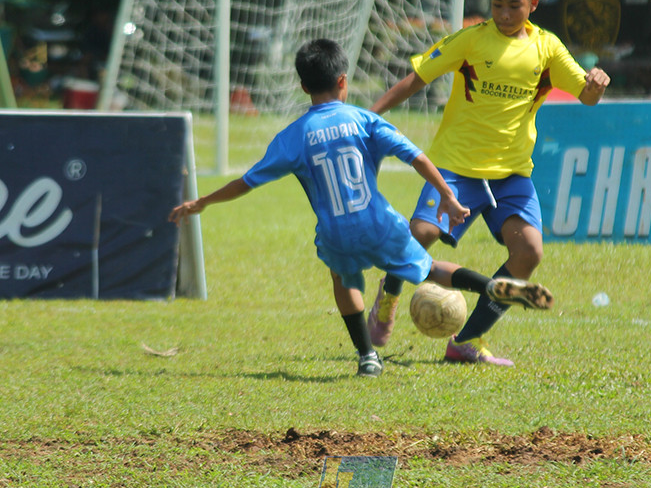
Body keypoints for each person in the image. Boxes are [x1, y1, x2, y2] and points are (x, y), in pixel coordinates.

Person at [169, 38, 553, 378]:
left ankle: (367, 355)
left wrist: (202, 202)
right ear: (343, 81)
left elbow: (246, 182)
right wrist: (448, 196)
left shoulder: (292, 137)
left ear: (303, 87)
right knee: (430, 268)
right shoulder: (363, 120)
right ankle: (496, 286)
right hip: (379, 224)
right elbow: (415, 156)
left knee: (344, 280)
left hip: (336, 233)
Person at [366, 0, 610, 366]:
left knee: (529, 252)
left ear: (533, 3)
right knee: (420, 234)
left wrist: (596, 82)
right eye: (497, 4)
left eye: (513, 5)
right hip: (455, 166)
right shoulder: (471, 39)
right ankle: (388, 297)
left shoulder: (547, 48)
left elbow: (586, 96)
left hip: (510, 174)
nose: (503, 13)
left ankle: (466, 340)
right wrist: (368, 120)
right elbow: (416, 79)